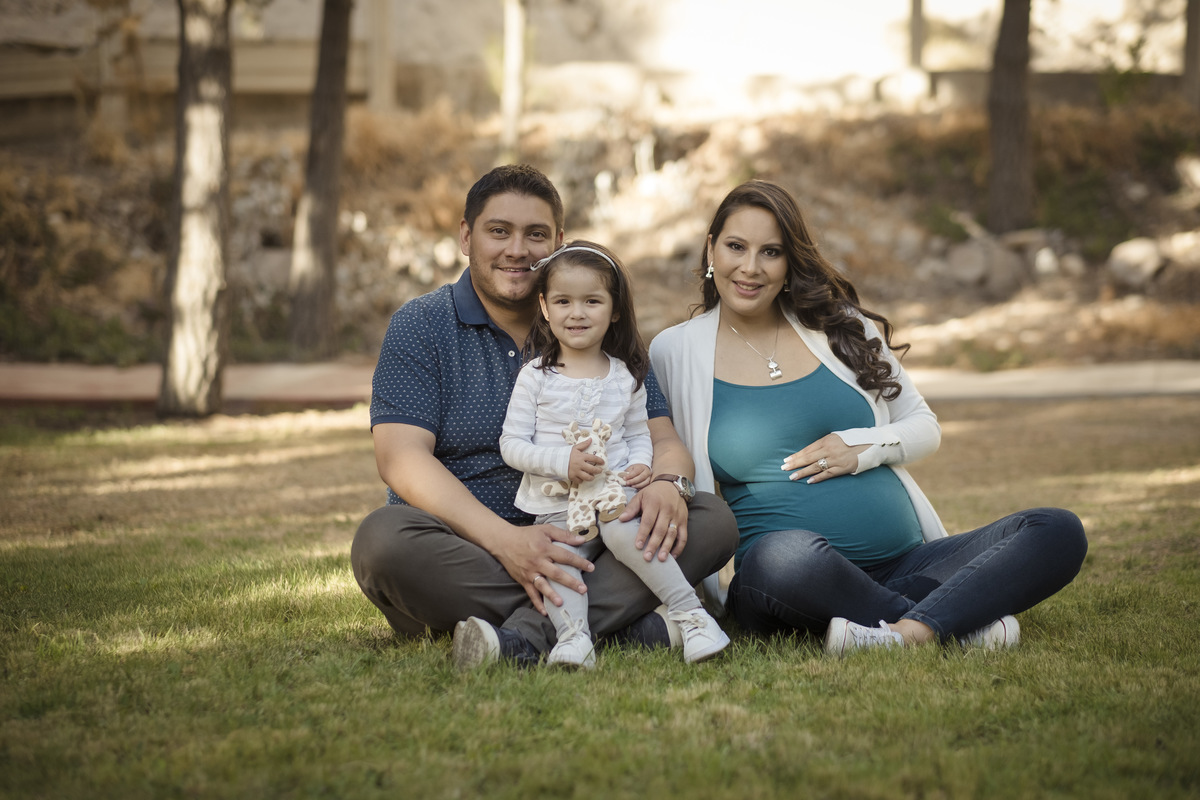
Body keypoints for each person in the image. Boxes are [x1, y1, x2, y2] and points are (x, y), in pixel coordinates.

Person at [648, 179, 1088, 654]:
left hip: (909, 562)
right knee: (784, 555)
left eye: (771, 252)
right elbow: (656, 448)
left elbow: (924, 426)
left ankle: (909, 632)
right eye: (736, 246)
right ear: (711, 249)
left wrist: (863, 447)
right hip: (785, 575)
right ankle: (954, 617)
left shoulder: (838, 325)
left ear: (790, 263)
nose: (750, 267)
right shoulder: (676, 350)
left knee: (1056, 529)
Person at [350, 164, 738, 669]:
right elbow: (401, 459)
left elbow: (662, 440)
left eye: (535, 234)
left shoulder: (591, 326)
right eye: (498, 231)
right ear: (466, 237)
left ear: (558, 242)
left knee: (709, 520)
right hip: (468, 550)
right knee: (383, 542)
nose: (517, 249)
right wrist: (509, 542)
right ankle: (623, 624)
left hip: (596, 536)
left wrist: (667, 484)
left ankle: (522, 637)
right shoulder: (422, 325)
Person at [499, 241, 730, 669]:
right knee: (561, 559)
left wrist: (641, 464)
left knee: (629, 534)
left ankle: (692, 617)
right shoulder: (535, 377)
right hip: (557, 501)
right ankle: (573, 639)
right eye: (563, 302)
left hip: (614, 492)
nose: (577, 313)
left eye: (592, 301)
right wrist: (562, 462)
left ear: (615, 310)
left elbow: (639, 433)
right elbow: (511, 444)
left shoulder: (625, 376)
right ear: (544, 307)